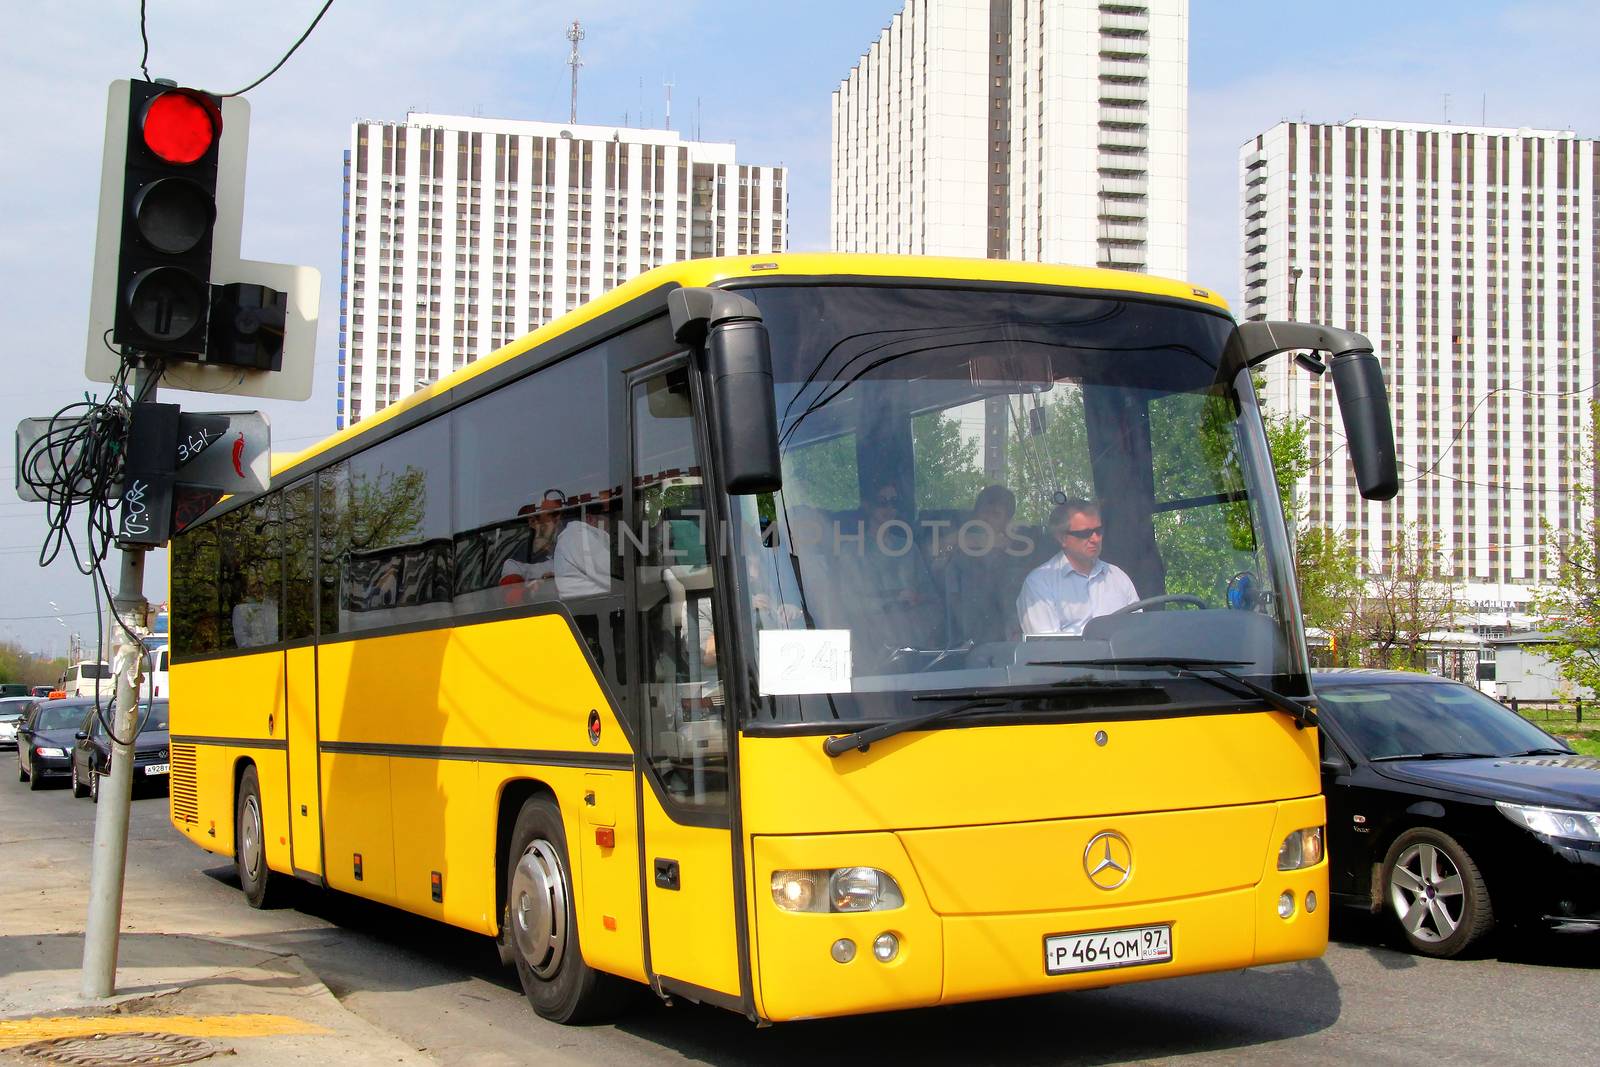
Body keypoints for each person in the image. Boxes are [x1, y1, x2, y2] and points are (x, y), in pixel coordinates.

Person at [1016, 498, 1138, 636]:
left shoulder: (1118, 577)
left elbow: (1138, 633)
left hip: (1124, 657)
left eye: (1098, 531)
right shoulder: (1040, 584)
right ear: (1062, 538)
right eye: (1085, 533)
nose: (1095, 539)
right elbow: (1047, 649)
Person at [944, 484, 1026, 644]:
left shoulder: (1020, 554)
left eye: (995, 514)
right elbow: (952, 605)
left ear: (1007, 521)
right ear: (975, 515)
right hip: (963, 643)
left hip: (1008, 644)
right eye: (984, 512)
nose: (987, 519)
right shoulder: (957, 556)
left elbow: (1014, 607)